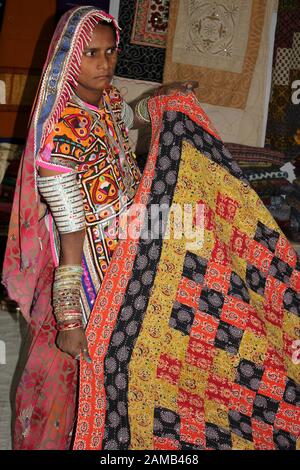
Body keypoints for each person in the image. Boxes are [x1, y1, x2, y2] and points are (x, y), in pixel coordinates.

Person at [2, 6, 197, 450]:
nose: (104, 64)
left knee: (199, 234)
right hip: (82, 265)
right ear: (70, 57)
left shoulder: (106, 100)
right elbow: (70, 231)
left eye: (110, 52)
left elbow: (128, 116)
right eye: (90, 54)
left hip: (123, 240)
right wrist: (70, 317)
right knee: (69, 373)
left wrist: (164, 95)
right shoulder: (60, 132)